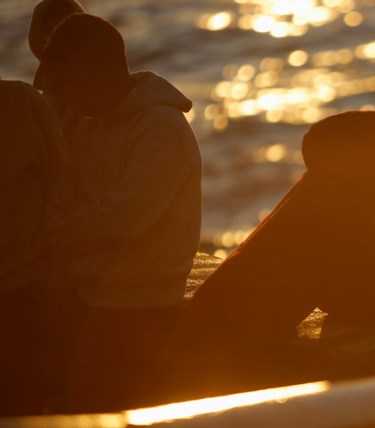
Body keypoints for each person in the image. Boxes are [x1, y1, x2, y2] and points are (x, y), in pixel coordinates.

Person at [172, 110, 375, 390]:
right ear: (363, 166)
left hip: (209, 346)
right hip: (216, 363)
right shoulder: (337, 214)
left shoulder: (317, 196)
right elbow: (372, 304)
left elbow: (355, 292)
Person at [37, 13, 202, 412]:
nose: (68, 96)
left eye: (76, 84)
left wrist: (70, 233)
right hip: (92, 296)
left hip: (144, 309)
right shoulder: (87, 124)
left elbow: (122, 222)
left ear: (109, 69)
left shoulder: (160, 129)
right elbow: (61, 206)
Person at [0, 79, 67, 415]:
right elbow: (63, 181)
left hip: (27, 283)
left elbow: (62, 186)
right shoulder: (21, 101)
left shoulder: (21, 102)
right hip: (28, 280)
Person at [28, 0, 86, 144]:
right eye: (51, 32)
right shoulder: (37, 102)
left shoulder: (94, 93)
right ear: (37, 38)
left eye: (69, 31)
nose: (61, 40)